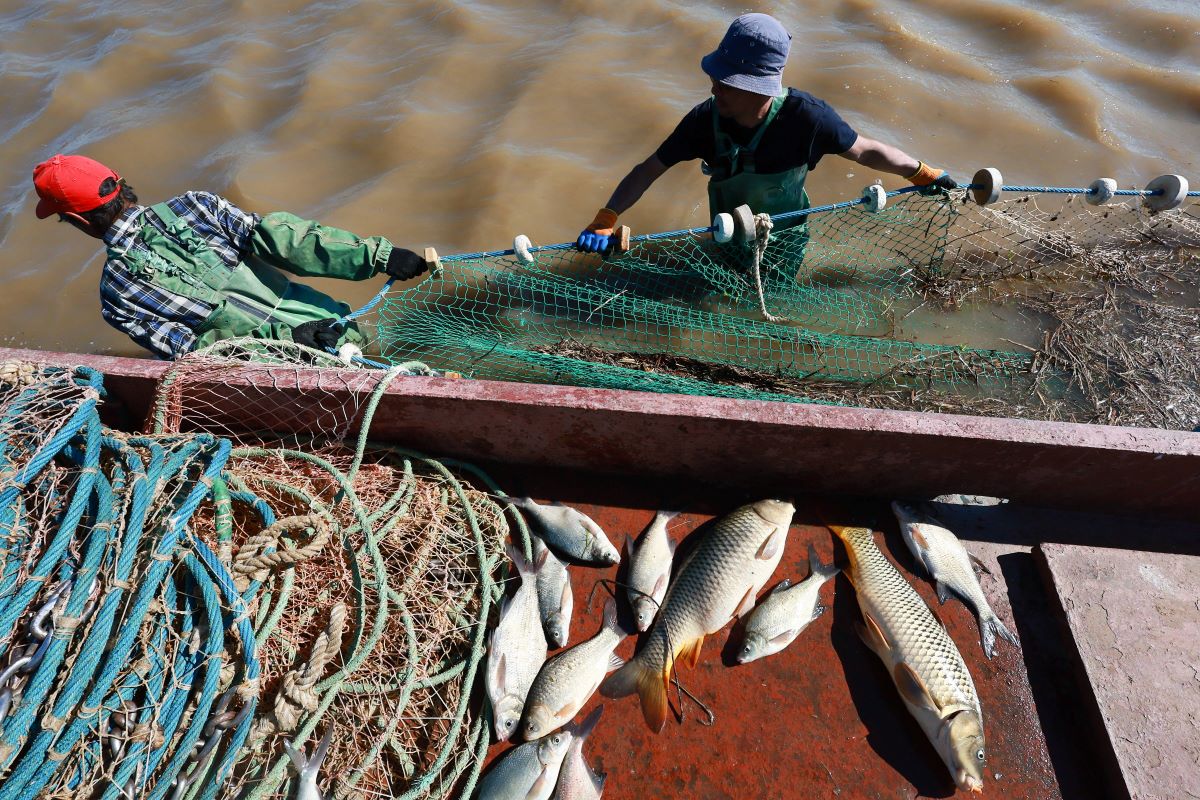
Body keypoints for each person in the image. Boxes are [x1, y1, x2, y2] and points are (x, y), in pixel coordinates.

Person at [576, 13, 958, 254]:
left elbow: (865, 151)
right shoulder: (702, 122)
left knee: (774, 293)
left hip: (787, 235)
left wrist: (920, 171)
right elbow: (648, 169)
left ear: (761, 86)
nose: (714, 89)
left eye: (727, 82)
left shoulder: (808, 118)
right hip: (726, 232)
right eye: (715, 78)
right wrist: (606, 216)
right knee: (723, 284)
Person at [32, 153, 429, 359]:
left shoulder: (117, 296)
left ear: (73, 220)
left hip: (283, 376)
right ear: (120, 184)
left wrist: (286, 342)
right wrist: (379, 255)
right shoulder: (197, 206)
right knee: (393, 355)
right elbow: (288, 242)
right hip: (336, 321)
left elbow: (193, 354)